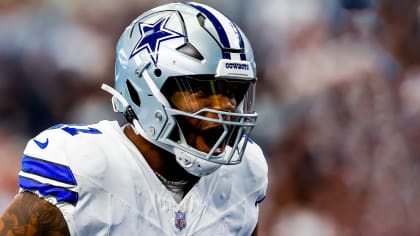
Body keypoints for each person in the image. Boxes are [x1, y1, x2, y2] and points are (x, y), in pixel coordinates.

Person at [0, 2, 268, 235]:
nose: (226, 107)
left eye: (233, 92)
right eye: (201, 90)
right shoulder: (88, 167)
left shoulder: (244, 172)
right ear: (144, 88)